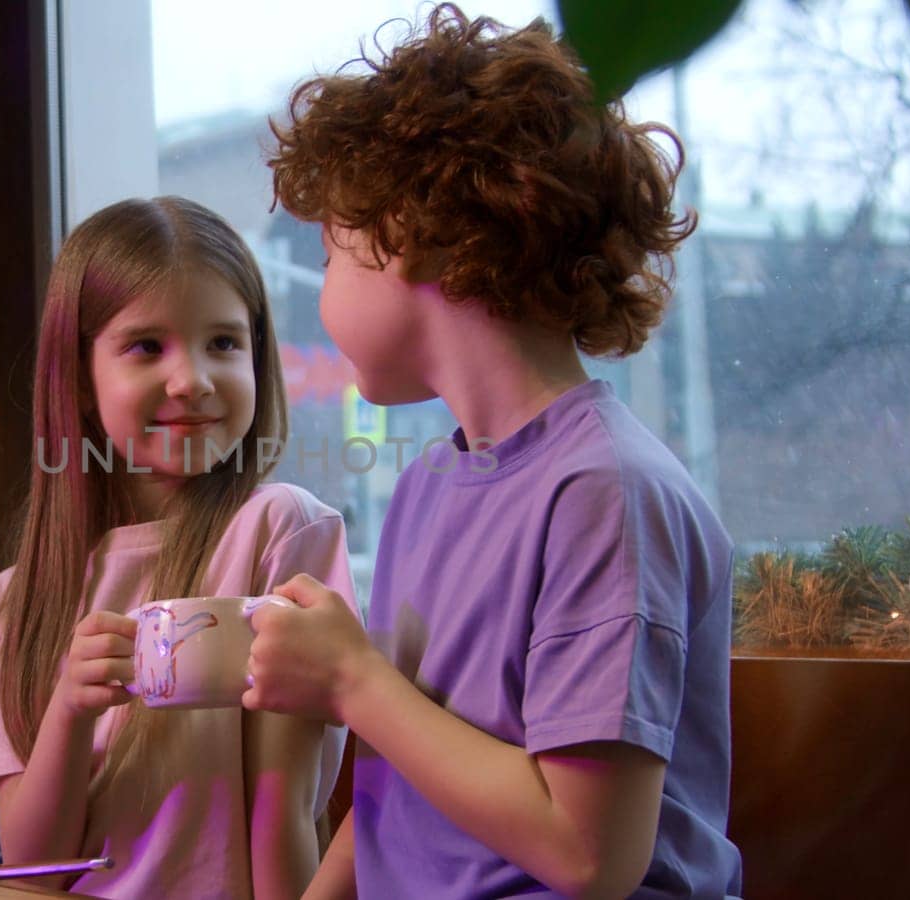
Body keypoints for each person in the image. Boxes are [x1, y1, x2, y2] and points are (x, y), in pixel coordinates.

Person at [242, 6, 744, 898]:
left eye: (328, 254)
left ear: (418, 232)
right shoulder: (433, 482)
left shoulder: (604, 493)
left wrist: (353, 681)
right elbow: (410, 781)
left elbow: (591, 856)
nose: (319, 290)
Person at [0, 196, 359, 899]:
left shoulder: (282, 530)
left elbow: (284, 808)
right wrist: (70, 712)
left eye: (224, 343)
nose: (191, 379)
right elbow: (34, 863)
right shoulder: (21, 598)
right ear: (78, 375)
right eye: (146, 346)